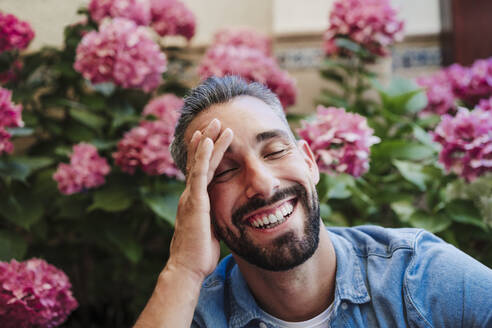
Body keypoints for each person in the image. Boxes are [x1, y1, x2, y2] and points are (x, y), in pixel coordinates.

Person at [133, 76, 492, 328]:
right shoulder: (194, 314)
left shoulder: (417, 277)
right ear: (198, 204)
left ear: (309, 161)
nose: (261, 183)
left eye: (274, 151)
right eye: (224, 172)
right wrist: (182, 270)